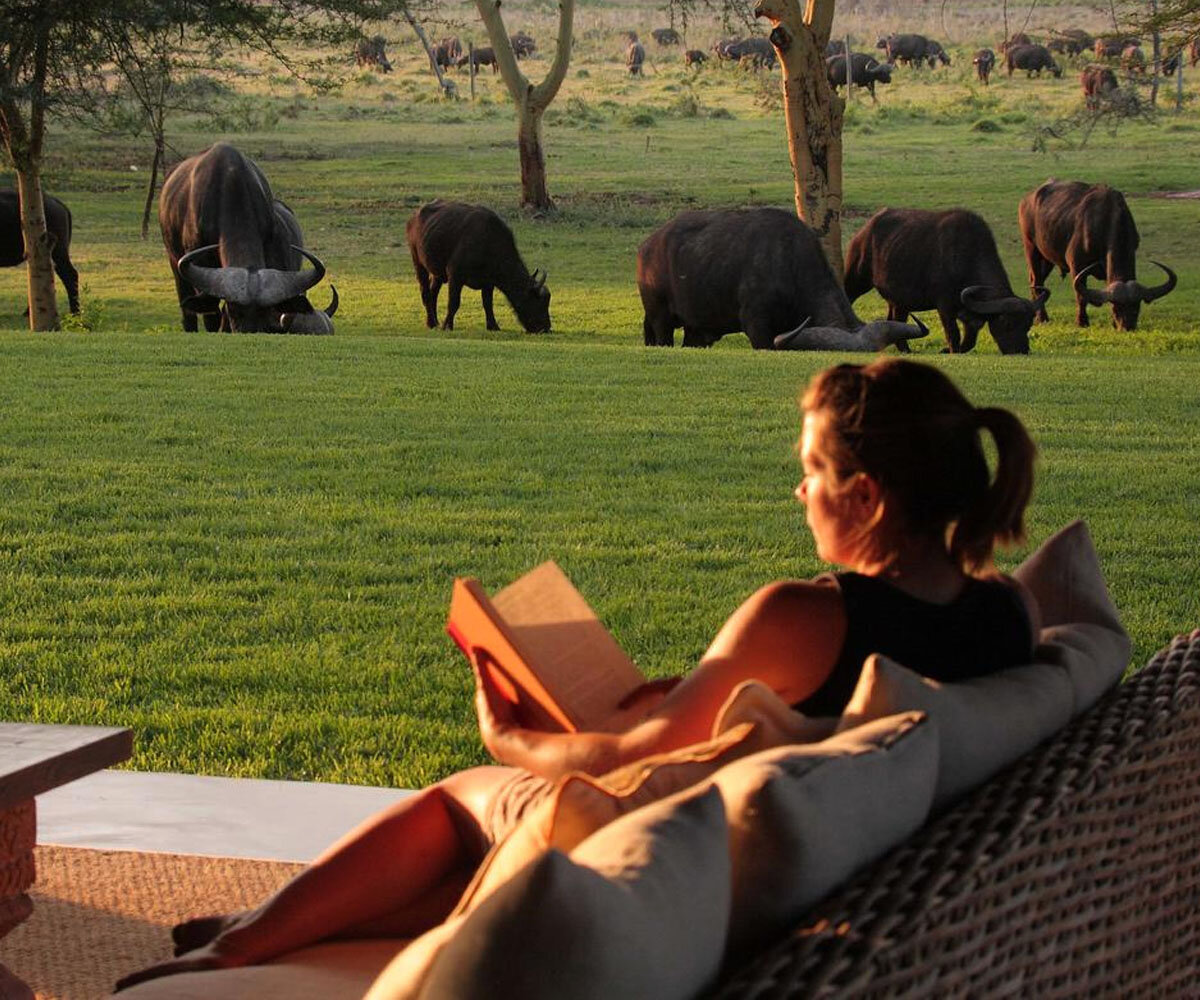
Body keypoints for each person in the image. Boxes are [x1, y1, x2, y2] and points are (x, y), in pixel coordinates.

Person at [116, 358, 1040, 990]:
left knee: (467, 800)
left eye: (810, 471)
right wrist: (694, 696)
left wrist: (512, 737)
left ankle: (237, 953)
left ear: (867, 496)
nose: (798, 491)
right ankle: (289, 921)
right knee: (500, 817)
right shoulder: (1008, 613)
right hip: (810, 858)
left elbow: (635, 753)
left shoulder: (807, 614)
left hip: (664, 854)